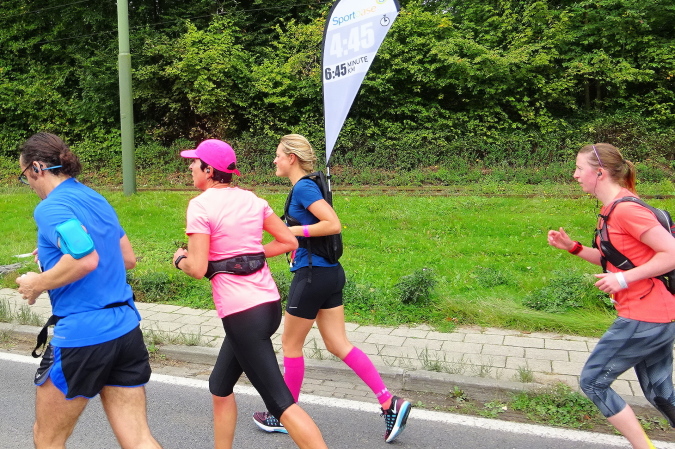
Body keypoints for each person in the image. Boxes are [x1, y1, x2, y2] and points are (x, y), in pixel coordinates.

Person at [252, 134, 411, 443]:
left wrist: (294, 231)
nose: (274, 160)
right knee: (338, 344)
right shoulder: (308, 186)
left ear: (291, 158)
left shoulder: (304, 188)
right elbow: (298, 236)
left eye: (278, 155)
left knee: (290, 345)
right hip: (329, 274)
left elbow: (332, 224)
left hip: (312, 278)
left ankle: (285, 415)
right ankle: (389, 402)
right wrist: (260, 252)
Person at [171, 139, 328, 449]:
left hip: (242, 314)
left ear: (209, 170)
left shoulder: (200, 205)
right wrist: (248, 255)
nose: (190, 167)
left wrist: (180, 260)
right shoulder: (252, 200)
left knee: (280, 403)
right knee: (219, 386)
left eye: (194, 162)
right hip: (267, 305)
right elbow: (289, 242)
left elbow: (198, 267)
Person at [14, 133, 162, 449]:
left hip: (84, 335)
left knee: (47, 437)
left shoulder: (51, 207)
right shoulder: (94, 197)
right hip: (125, 329)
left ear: (37, 168)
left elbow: (85, 258)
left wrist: (36, 283)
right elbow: (127, 258)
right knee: (138, 438)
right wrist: (54, 259)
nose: (29, 185)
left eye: (25, 176)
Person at [547, 143, 675, 449]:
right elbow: (616, 259)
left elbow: (671, 253)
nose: (575, 174)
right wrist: (573, 247)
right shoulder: (613, 208)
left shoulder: (627, 210)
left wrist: (623, 279)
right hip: (659, 316)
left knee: (593, 381)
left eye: (579, 168)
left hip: (644, 317)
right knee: (660, 393)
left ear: (600, 173)